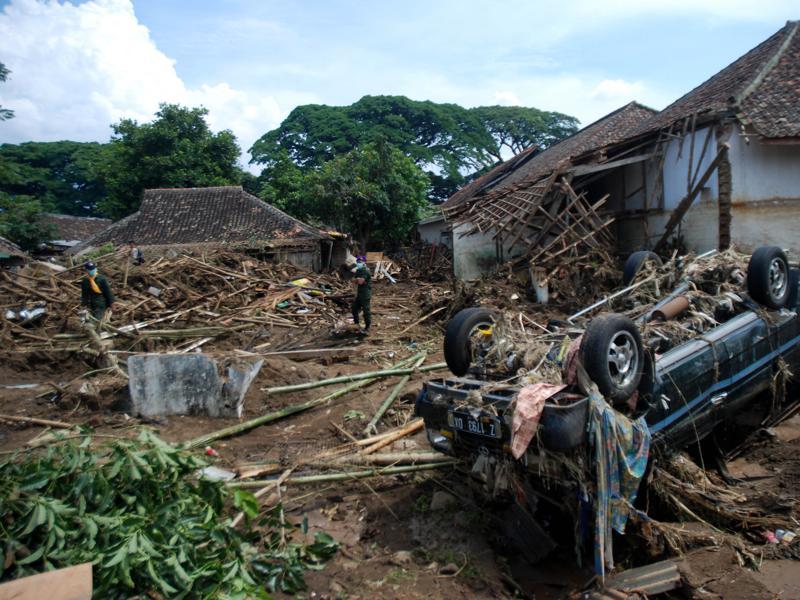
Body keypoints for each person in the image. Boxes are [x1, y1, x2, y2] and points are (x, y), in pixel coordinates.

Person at [351, 256, 372, 334]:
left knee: (366, 311)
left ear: (364, 262)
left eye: (360, 262)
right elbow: (353, 280)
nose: (359, 263)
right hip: (359, 294)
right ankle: (356, 324)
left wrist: (357, 280)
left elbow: (360, 282)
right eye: (358, 262)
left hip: (365, 294)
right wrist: (358, 279)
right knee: (354, 308)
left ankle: (367, 327)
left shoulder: (365, 271)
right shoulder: (358, 271)